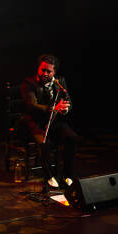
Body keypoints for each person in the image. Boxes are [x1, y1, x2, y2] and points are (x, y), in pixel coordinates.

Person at [19, 54, 78, 188]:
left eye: (48, 71)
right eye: (42, 70)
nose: (44, 73)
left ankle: (68, 174)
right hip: (34, 122)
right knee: (44, 142)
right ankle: (49, 176)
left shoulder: (60, 82)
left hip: (53, 121)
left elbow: (68, 101)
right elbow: (31, 106)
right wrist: (53, 108)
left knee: (72, 137)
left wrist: (65, 109)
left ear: (54, 72)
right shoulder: (28, 83)